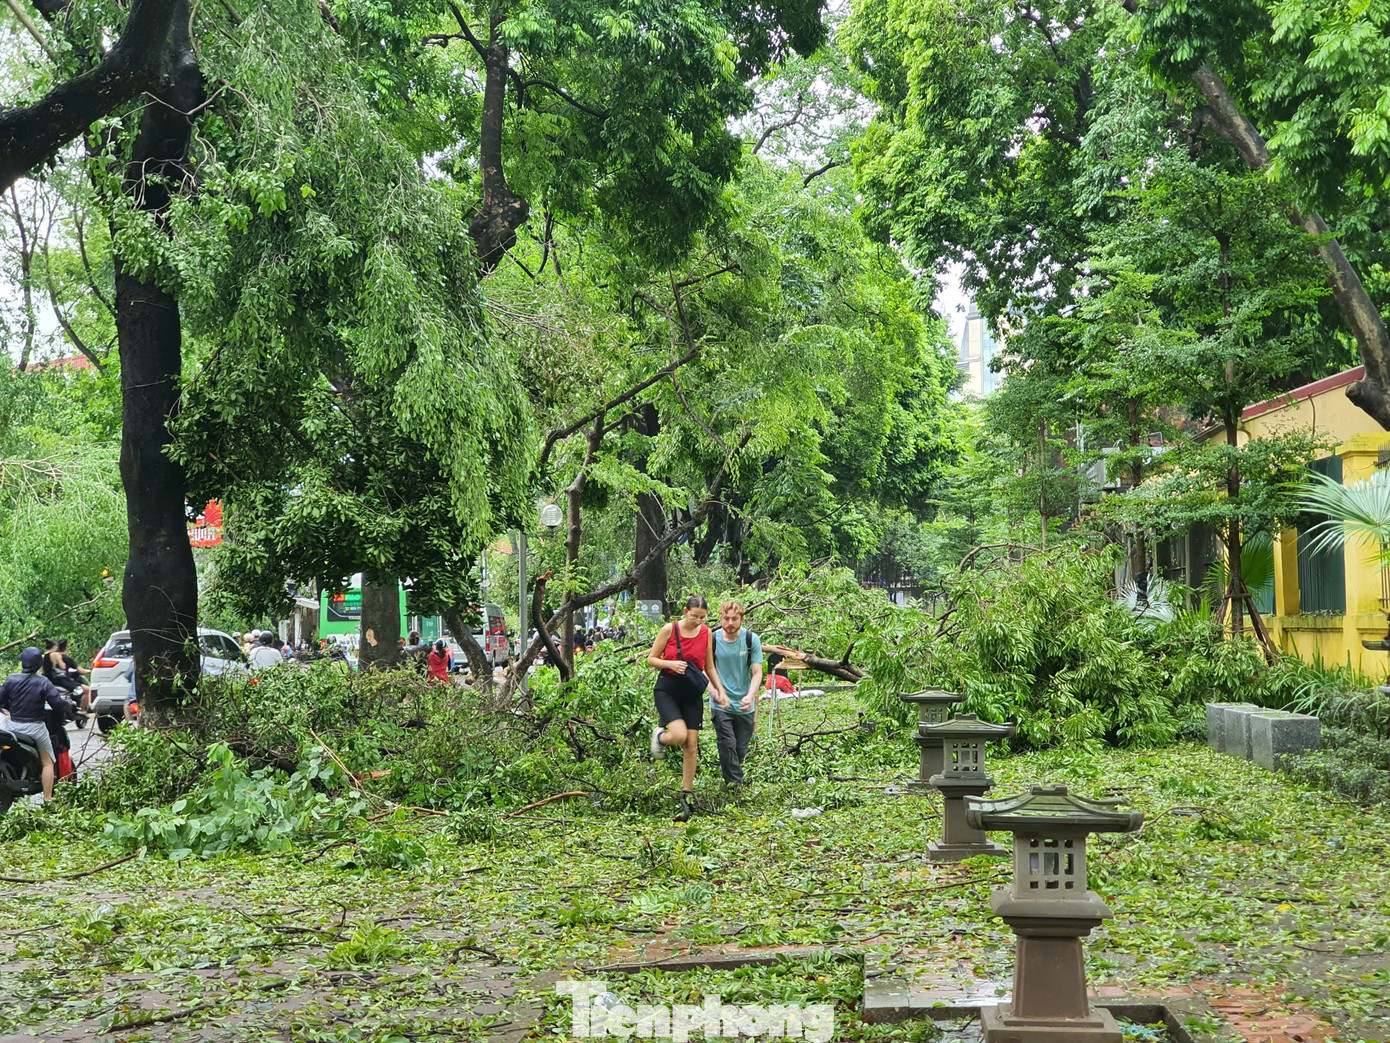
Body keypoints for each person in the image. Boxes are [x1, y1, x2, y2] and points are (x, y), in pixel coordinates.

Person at [647, 595, 727, 821]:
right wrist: (670, 663)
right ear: (685, 611)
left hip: (692, 691)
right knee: (680, 735)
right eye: (694, 616)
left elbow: (709, 666)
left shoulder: (706, 633)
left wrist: (720, 690)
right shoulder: (669, 630)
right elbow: (652, 659)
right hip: (668, 689)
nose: (698, 621)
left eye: (702, 617)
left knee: (691, 744)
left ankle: (687, 792)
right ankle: (661, 737)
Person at [0, 647, 77, 799]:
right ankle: (48, 800)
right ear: (38, 664)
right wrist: (69, 704)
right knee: (48, 762)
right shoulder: (43, 682)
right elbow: (57, 704)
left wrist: (9, 707)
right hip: (35, 728)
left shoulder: (11, 680)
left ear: (23, 662)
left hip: (13, 727)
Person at [709, 600, 764, 788]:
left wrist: (750, 696)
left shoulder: (751, 640)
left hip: (744, 704)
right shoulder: (712, 639)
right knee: (727, 743)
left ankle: (731, 776)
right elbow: (705, 669)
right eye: (726, 619)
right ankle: (735, 786)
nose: (730, 623)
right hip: (720, 704)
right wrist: (714, 691)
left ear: (741, 619)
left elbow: (757, 672)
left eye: (734, 619)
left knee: (740, 749)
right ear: (721, 618)